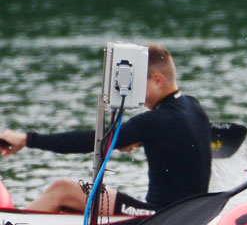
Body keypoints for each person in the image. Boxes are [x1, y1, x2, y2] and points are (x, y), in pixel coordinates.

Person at [0, 45, 211, 215]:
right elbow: (179, 140)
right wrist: (139, 140)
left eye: (138, 84)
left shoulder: (155, 121)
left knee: (61, 189)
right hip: (192, 216)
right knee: (70, 205)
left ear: (157, 81)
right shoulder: (194, 107)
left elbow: (90, 142)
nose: (133, 93)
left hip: (158, 219)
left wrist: (27, 139)